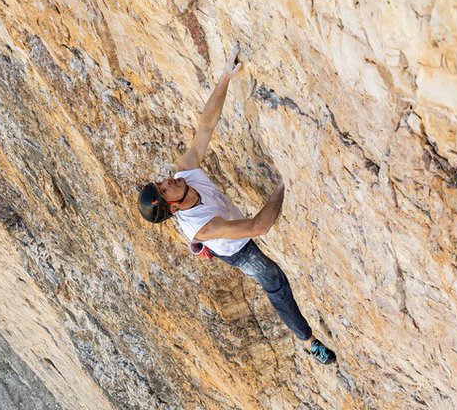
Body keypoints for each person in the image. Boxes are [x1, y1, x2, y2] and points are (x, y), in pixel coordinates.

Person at [136, 44, 336, 365]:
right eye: (165, 189)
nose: (169, 182)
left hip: (220, 227)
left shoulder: (185, 172)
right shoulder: (205, 225)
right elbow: (259, 226)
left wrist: (226, 76)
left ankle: (204, 248)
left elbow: (205, 127)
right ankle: (309, 341)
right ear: (172, 208)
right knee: (274, 280)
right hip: (235, 248)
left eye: (163, 182)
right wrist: (286, 183)